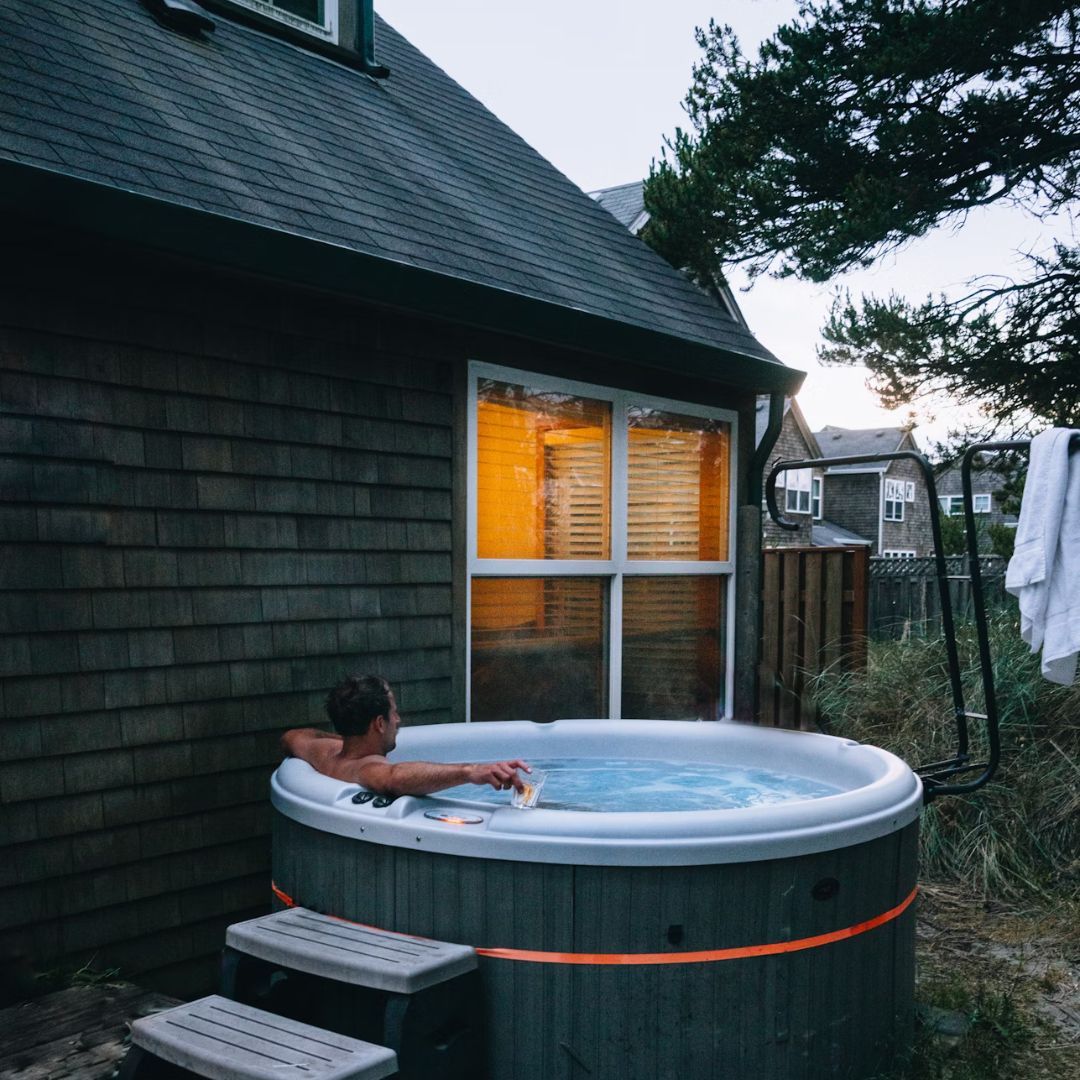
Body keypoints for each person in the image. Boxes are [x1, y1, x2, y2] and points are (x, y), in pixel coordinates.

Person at [280, 674, 530, 797]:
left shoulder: (324, 753)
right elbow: (395, 777)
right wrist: (471, 772)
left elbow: (291, 736)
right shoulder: (365, 768)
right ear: (379, 723)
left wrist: (346, 737)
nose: (398, 720)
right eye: (394, 713)